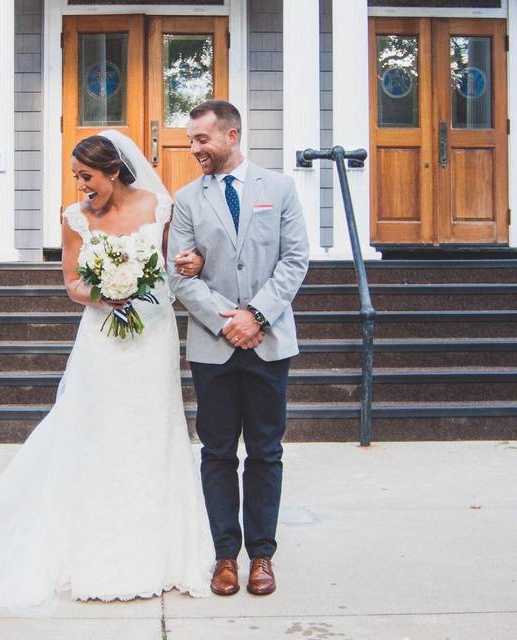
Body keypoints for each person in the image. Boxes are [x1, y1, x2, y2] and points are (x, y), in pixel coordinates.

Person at [0, 130, 214, 611]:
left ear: (114, 171)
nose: (83, 186)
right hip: (103, 338)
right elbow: (71, 283)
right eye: (76, 177)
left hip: (152, 334)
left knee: (155, 430)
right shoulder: (74, 218)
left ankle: (163, 551)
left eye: (88, 177)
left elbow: (177, 264)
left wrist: (190, 262)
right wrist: (106, 291)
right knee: (100, 434)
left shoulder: (158, 207)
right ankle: (97, 547)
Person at [168, 100, 309, 597]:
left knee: (266, 452)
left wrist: (258, 316)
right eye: (191, 141)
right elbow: (179, 273)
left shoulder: (281, 188)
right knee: (218, 452)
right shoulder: (186, 199)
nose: (194, 149)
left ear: (231, 135)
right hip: (214, 346)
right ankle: (225, 555)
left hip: (270, 342)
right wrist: (227, 321)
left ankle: (262, 557)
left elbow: (295, 259)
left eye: (201, 139)